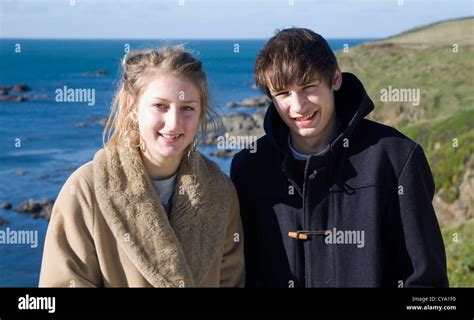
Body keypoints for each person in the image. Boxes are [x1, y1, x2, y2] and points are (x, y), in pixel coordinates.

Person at [230, 28, 448, 287]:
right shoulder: (248, 168)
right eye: (283, 94)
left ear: (334, 79)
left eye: (309, 87)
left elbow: (428, 285)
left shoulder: (397, 158)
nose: (298, 106)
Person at [40, 46, 245, 287]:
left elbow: (232, 281)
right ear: (132, 108)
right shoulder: (86, 189)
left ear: (200, 114)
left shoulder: (220, 191)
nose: (173, 122)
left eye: (187, 108)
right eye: (160, 106)